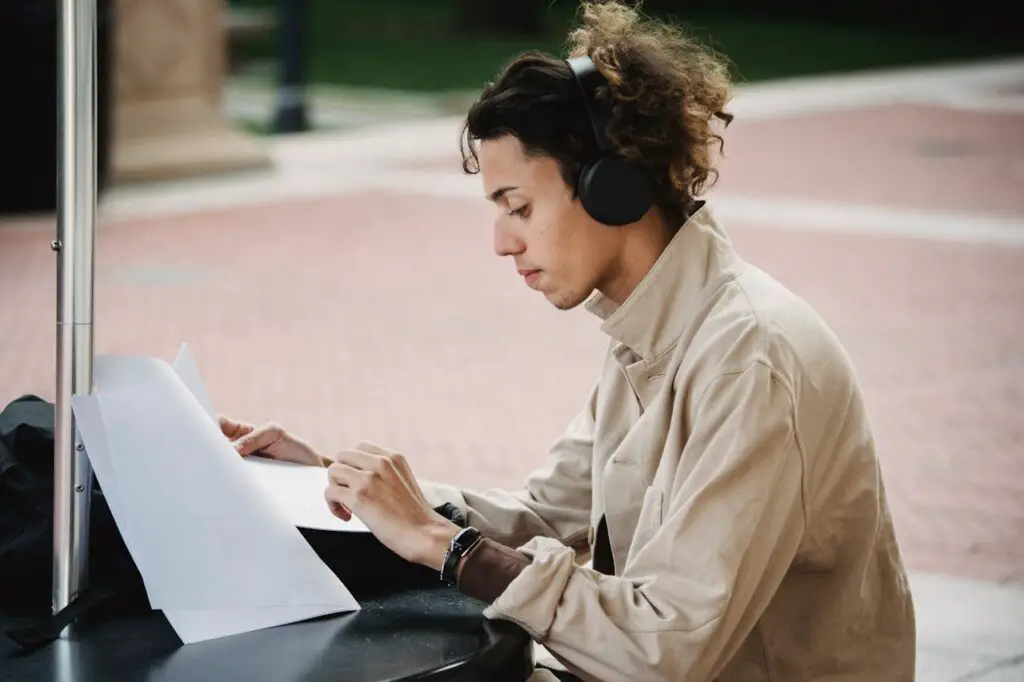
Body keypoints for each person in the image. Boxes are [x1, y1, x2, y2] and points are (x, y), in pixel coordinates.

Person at [218, 2, 916, 680]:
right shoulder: (654, 329)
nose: (501, 242)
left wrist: (444, 546)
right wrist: (341, 489)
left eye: (518, 207)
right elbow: (545, 513)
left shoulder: (748, 360)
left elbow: (664, 650)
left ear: (612, 188)